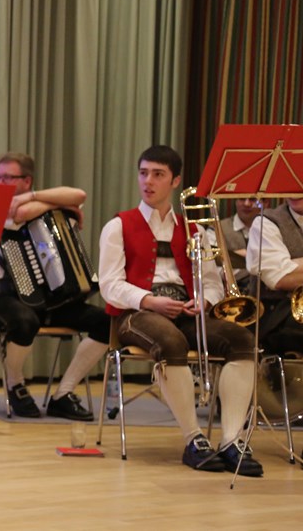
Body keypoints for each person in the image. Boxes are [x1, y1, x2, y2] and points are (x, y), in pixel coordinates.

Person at [99, 145, 262, 476]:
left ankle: (231, 441)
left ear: (175, 181)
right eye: (143, 173)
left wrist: (203, 301)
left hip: (187, 311)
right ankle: (194, 439)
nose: (148, 181)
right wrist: (149, 300)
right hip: (137, 314)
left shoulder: (195, 231)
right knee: (170, 342)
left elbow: (214, 283)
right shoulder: (118, 226)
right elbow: (110, 285)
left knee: (240, 339)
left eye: (158, 174)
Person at [0, 152, 110, 420]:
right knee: (25, 321)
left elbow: (79, 195)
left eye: (7, 177)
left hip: (52, 299)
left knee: (107, 323)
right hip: (5, 296)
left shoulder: (36, 200)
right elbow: (20, 213)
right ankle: (15, 384)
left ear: (26, 181)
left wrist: (36, 200)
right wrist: (55, 206)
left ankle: (63, 393)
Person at [246, 197, 303, 357]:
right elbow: (280, 278)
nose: (294, 191)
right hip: (276, 316)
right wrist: (288, 270)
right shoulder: (265, 222)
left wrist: (293, 264)